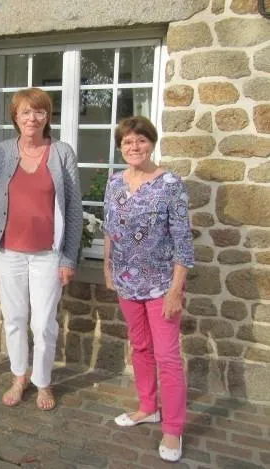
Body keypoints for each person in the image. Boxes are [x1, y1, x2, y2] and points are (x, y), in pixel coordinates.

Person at [0, 88, 82, 411]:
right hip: (9, 253)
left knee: (43, 323)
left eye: (39, 112)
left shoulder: (62, 153)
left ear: (47, 117)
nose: (32, 118)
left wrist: (69, 257)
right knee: (15, 318)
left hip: (49, 254)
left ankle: (43, 381)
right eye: (25, 112)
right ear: (15, 118)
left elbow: (74, 209)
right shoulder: (2, 153)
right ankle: (19, 376)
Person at [103, 116, 194, 462]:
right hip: (127, 282)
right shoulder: (114, 183)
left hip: (161, 285)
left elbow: (183, 241)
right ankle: (147, 407)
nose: (134, 147)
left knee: (167, 357)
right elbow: (110, 229)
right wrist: (107, 267)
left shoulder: (171, 183)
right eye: (127, 142)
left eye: (141, 140)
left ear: (151, 143)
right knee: (140, 346)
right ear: (120, 147)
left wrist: (176, 290)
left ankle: (173, 428)